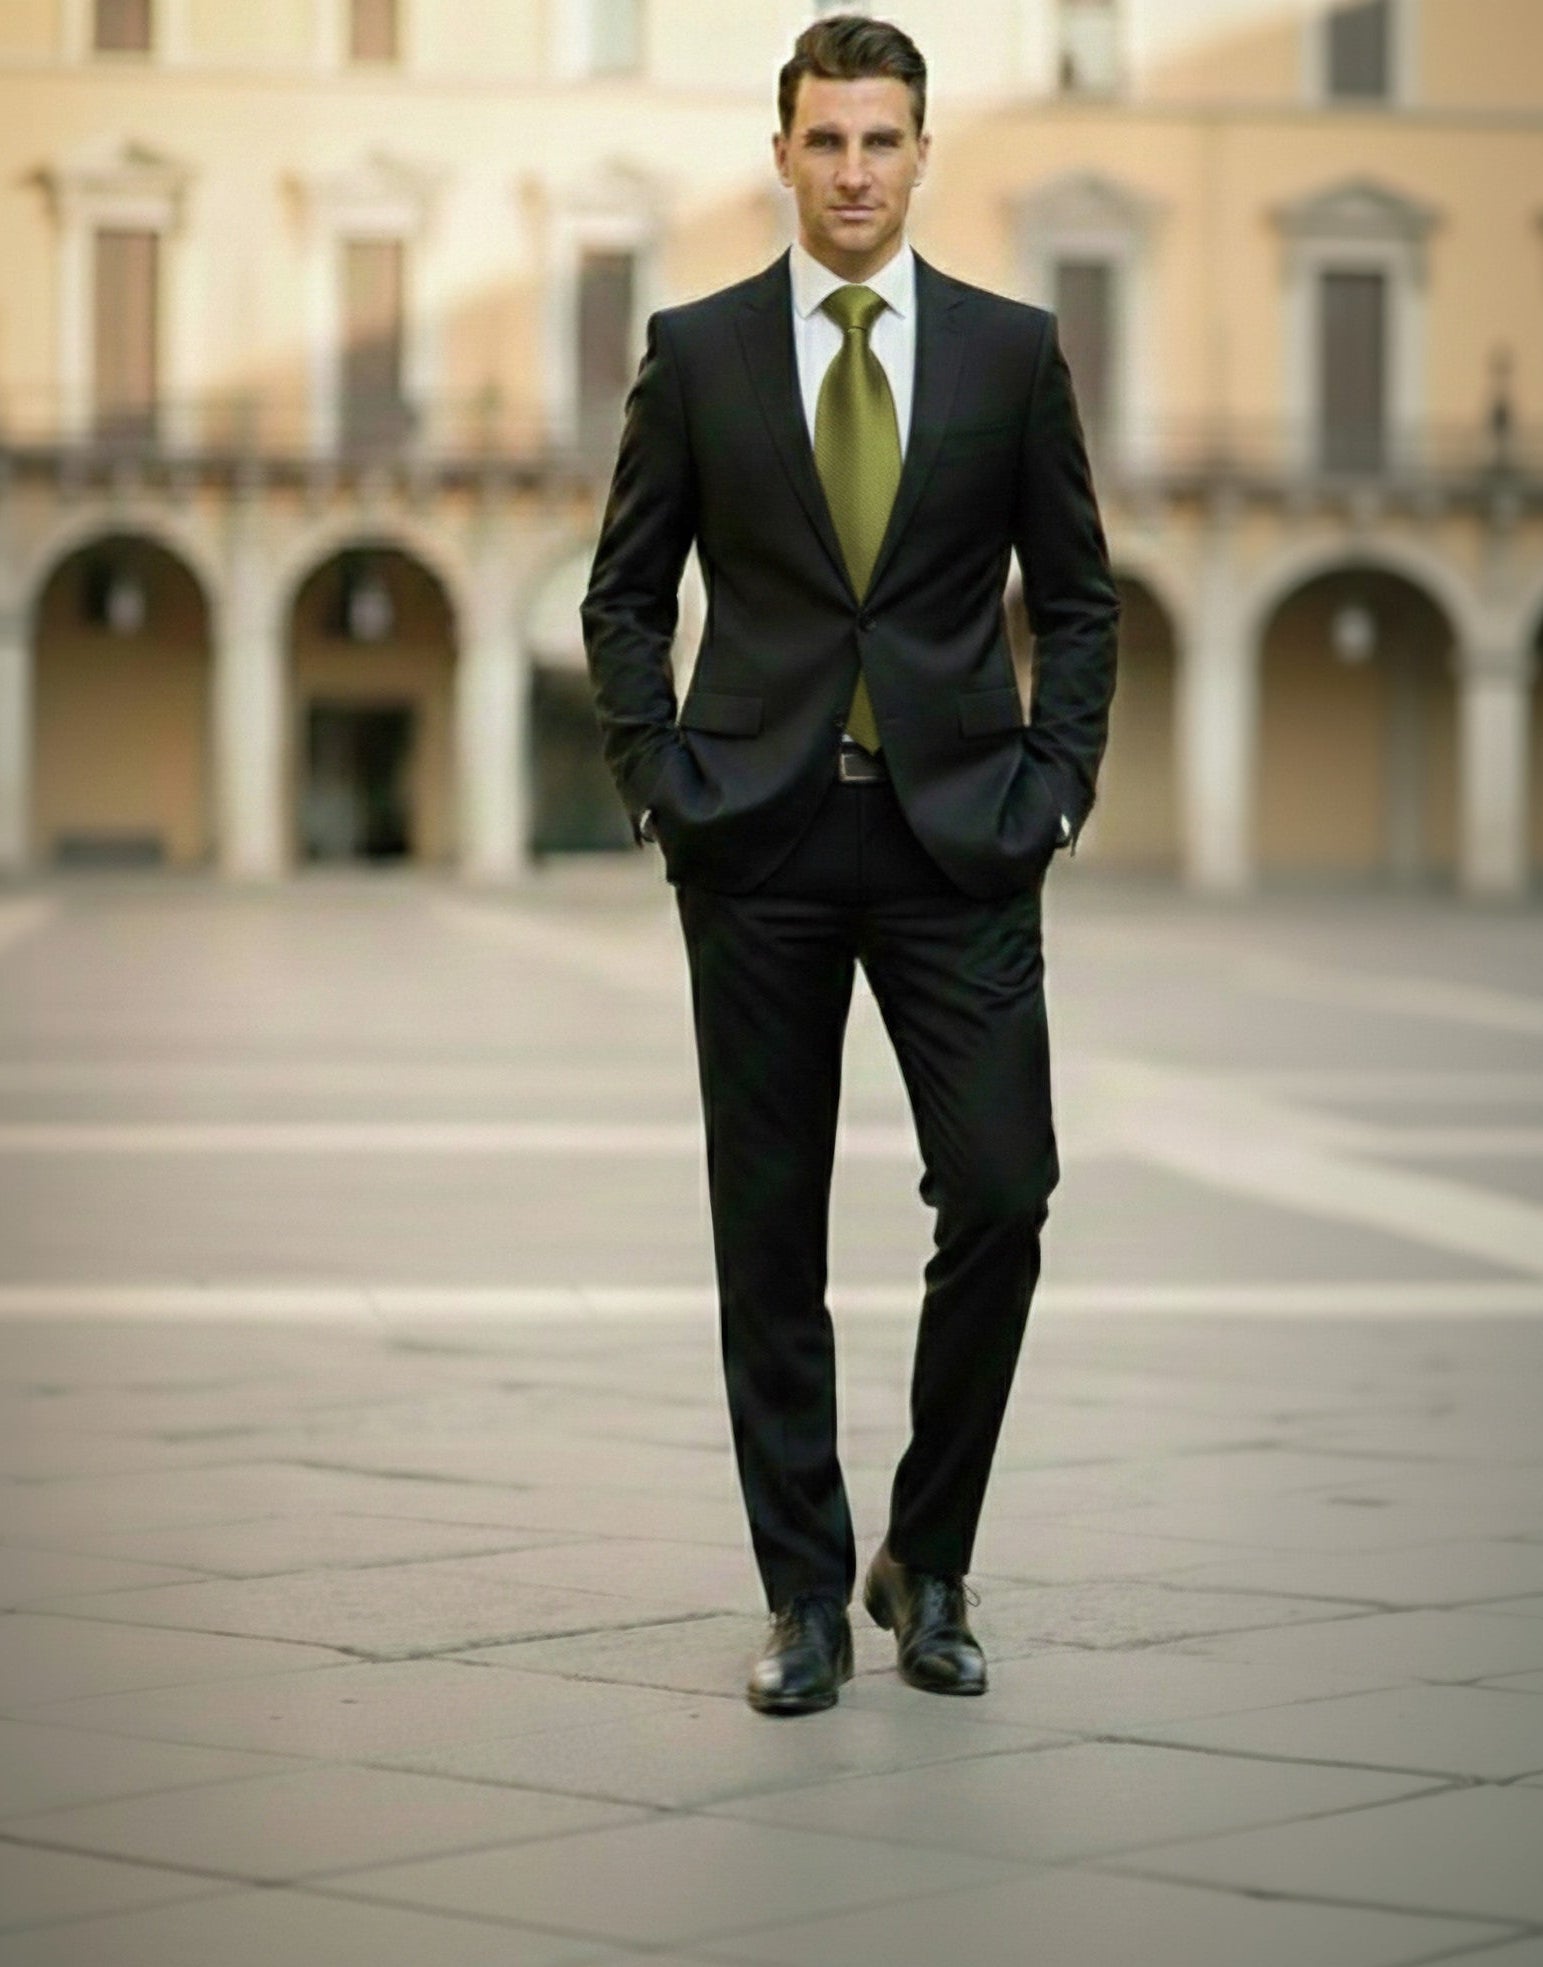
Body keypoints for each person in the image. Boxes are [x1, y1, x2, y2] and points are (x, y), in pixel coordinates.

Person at [582, 13, 1118, 1715]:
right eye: (827, 141)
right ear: (784, 155)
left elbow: (1081, 600)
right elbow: (622, 595)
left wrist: (1055, 789)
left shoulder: (1012, 354)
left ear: (922, 152)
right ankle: (805, 1596)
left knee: (1008, 1194)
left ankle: (929, 1556)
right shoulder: (703, 349)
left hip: (963, 839)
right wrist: (661, 780)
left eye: (883, 140)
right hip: (763, 838)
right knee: (769, 1228)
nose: (856, 171)